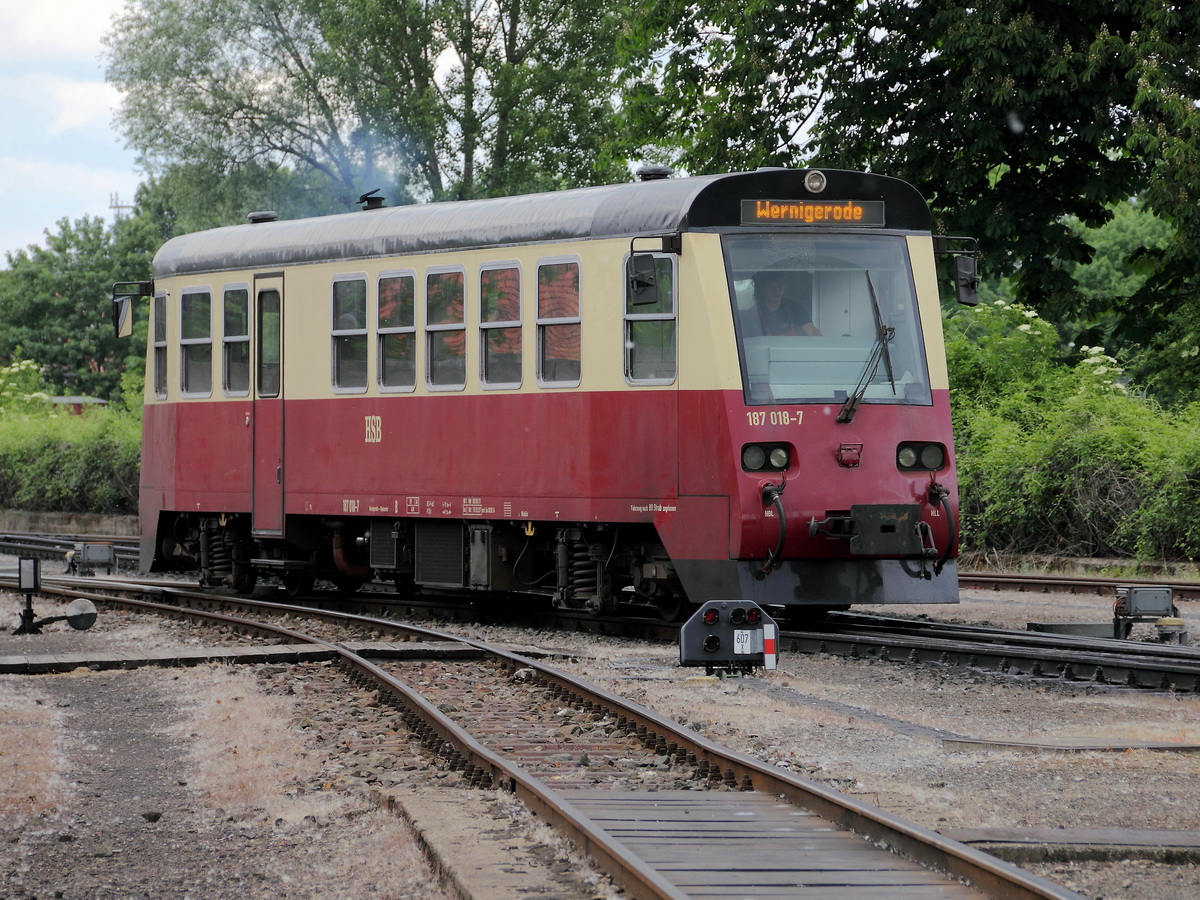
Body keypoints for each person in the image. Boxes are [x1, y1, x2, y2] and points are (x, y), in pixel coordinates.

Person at [752, 270, 820, 336]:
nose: (777, 291)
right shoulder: (754, 313)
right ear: (761, 290)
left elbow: (811, 330)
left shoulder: (794, 307)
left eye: (779, 286)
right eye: (771, 288)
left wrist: (818, 339)